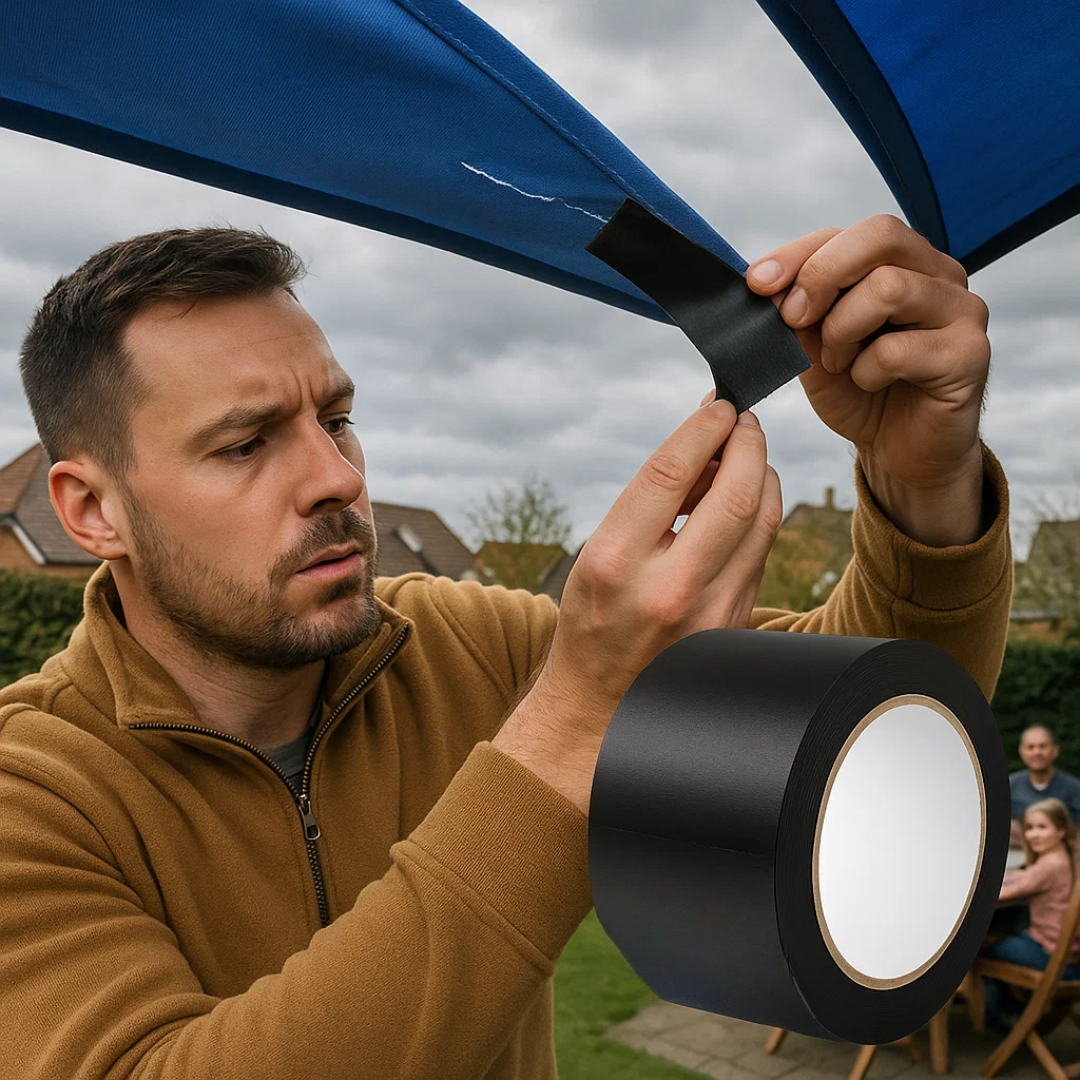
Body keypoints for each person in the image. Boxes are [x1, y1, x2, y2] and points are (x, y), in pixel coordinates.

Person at [0, 214, 1012, 1079]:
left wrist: (925, 485)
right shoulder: (31, 794)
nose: (337, 477)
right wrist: (574, 724)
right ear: (91, 510)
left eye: (337, 418)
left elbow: (865, 733)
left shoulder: (466, 649)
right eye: (245, 442)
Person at [981, 798, 1080, 1030]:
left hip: (1054, 957)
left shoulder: (1050, 866)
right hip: (1067, 952)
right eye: (1029, 828)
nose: (1033, 835)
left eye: (1042, 827)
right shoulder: (1064, 860)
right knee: (1003, 933)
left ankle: (994, 1017)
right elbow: (1024, 878)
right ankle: (1014, 1006)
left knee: (980, 948)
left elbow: (998, 896)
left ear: (1061, 830)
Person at [1009, 725, 1080, 845]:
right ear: (1021, 751)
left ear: (1055, 750)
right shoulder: (1008, 786)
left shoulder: (1074, 789)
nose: (1037, 752)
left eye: (1043, 746)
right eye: (1031, 747)